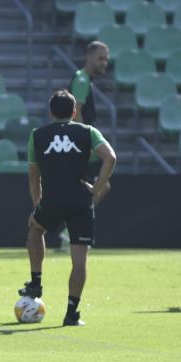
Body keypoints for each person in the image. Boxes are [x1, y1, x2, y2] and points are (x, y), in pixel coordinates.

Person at [18, 89, 116, 326]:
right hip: (80, 201)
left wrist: (37, 206)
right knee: (79, 260)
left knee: (35, 230)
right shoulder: (88, 131)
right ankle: (71, 313)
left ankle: (36, 281)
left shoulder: (37, 135)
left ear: (50, 112)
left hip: (52, 199)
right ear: (74, 112)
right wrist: (96, 188)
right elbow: (110, 158)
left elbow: (33, 177)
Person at [59, 41, 111, 249]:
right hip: (83, 145)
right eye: (100, 58)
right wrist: (84, 141)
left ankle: (73, 229)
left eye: (106, 59)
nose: (104, 63)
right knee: (101, 185)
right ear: (89, 58)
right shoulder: (81, 79)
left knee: (95, 187)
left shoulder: (84, 79)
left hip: (80, 143)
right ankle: (74, 230)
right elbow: (76, 111)